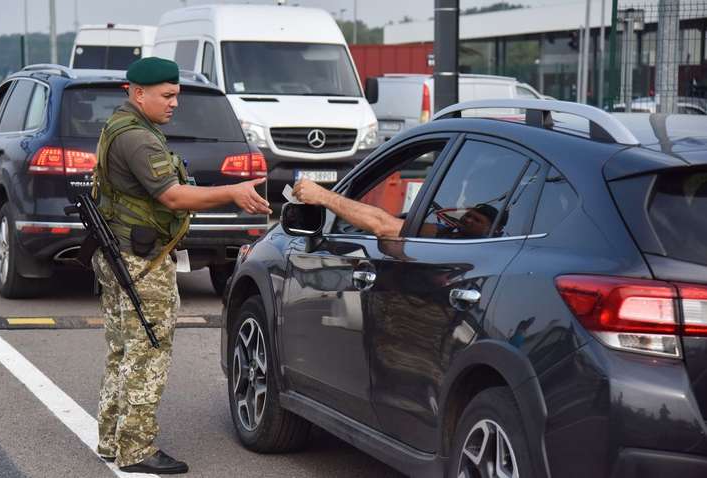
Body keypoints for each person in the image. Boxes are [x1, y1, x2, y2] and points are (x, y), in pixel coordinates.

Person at [92, 57, 271, 475]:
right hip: (141, 262)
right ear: (138, 93)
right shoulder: (138, 138)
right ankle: (135, 450)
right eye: (167, 96)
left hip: (120, 255)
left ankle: (111, 439)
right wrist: (233, 193)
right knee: (148, 352)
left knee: (123, 350)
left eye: (176, 95)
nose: (175, 104)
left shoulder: (121, 125)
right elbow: (172, 197)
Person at [292, 179, 505, 239]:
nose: (468, 220)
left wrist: (323, 196)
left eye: (477, 221)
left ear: (494, 231)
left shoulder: (465, 242)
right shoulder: (446, 233)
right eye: (468, 215)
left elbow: (383, 225)